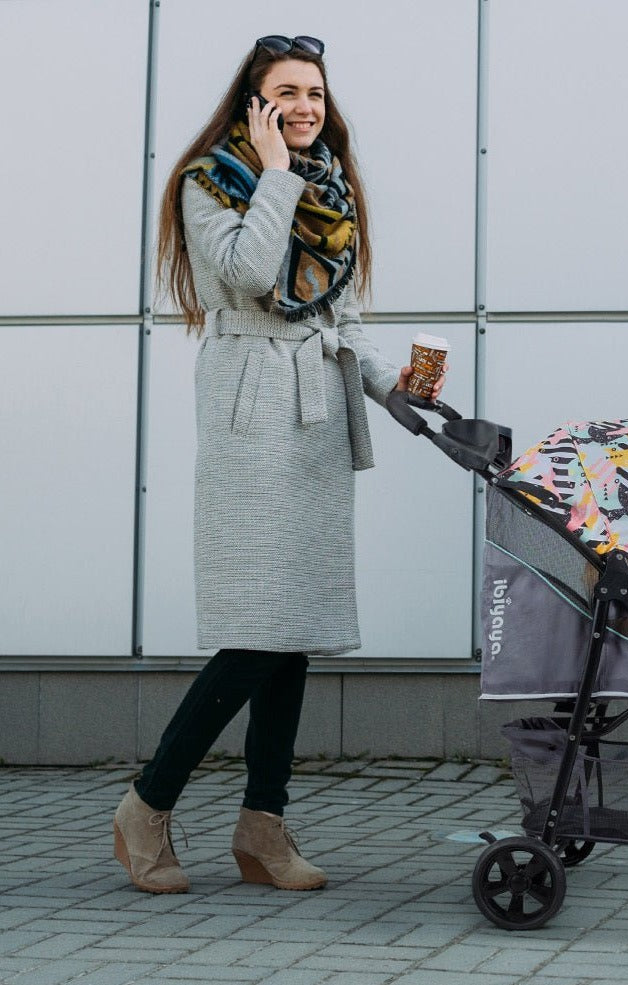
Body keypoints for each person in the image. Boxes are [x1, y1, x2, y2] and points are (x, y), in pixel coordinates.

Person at [113, 35, 445, 894]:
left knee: (292, 636)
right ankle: (146, 807)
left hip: (315, 423)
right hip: (253, 412)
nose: (305, 107)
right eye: (287, 93)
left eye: (315, 94)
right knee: (256, 632)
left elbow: (346, 321)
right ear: (253, 103)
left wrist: (397, 393)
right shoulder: (210, 181)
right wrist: (271, 171)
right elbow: (250, 270)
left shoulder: (326, 187)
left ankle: (264, 827)